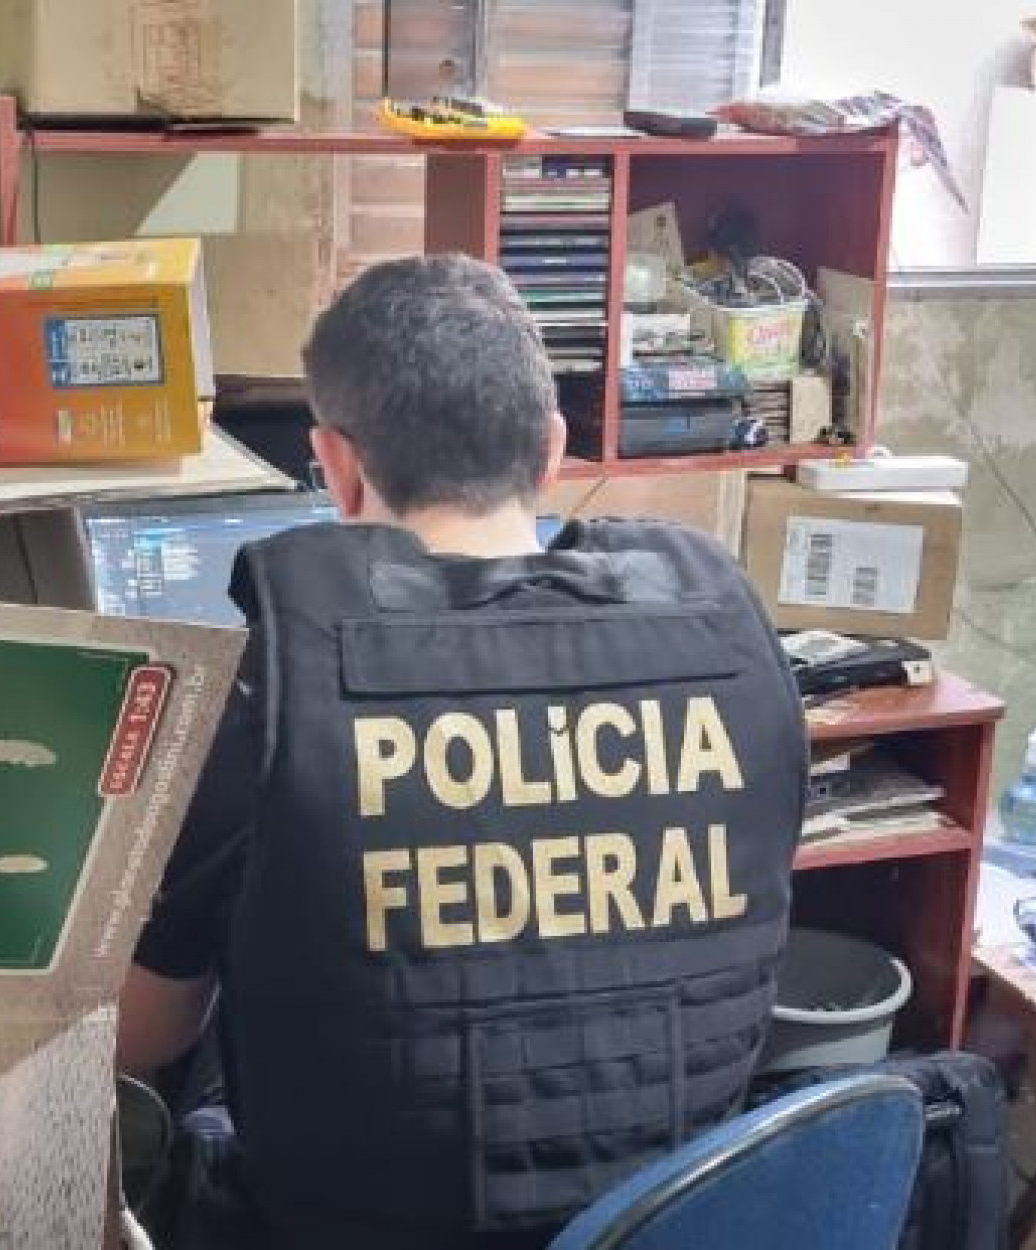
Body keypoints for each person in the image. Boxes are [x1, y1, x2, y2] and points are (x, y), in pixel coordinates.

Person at [119, 254, 808, 1249]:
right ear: (552, 448)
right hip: (666, 1222)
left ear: (336, 464)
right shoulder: (730, 642)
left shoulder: (273, 689)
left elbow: (142, 1035)